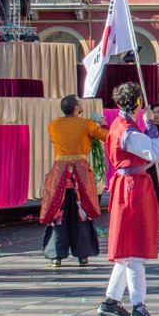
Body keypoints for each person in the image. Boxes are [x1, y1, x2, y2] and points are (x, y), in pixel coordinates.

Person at [98, 82, 159, 316]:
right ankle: (138, 305)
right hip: (132, 189)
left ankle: (111, 300)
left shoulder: (119, 124)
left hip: (128, 185)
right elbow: (155, 154)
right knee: (134, 250)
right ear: (137, 103)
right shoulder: (129, 130)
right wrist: (151, 126)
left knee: (125, 251)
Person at [42, 96, 107, 267]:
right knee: (82, 212)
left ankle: (57, 255)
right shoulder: (87, 124)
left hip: (59, 174)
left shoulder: (53, 124)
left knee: (59, 212)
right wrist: (100, 123)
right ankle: (83, 255)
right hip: (80, 174)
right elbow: (107, 137)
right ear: (77, 108)